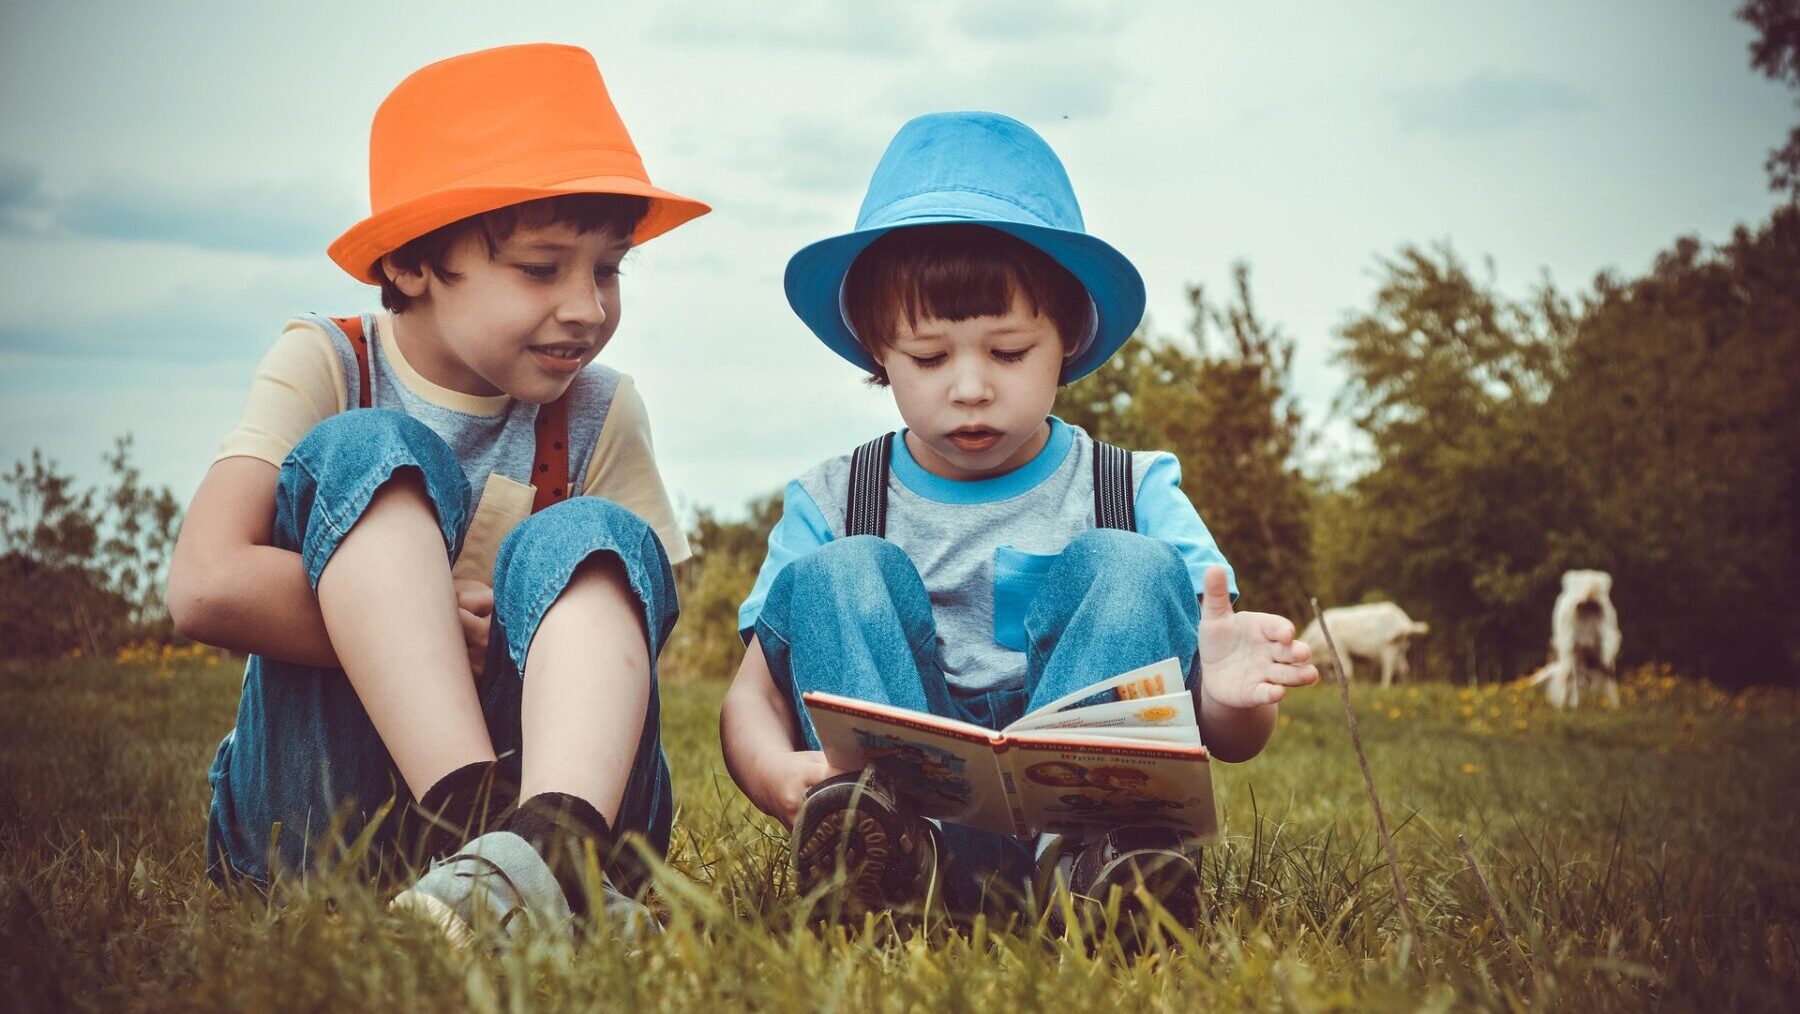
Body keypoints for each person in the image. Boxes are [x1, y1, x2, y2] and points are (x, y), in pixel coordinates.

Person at [718, 111, 1318, 923]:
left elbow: (1227, 734)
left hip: (1088, 826)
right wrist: (771, 773)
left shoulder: (1132, 489)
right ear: (876, 349)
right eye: (929, 358)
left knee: (1133, 564)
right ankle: (884, 867)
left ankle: (1097, 876)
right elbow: (750, 695)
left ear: (1067, 336)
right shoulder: (832, 499)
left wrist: (1235, 704)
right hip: (904, 824)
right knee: (840, 572)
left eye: (1007, 353)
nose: (969, 387)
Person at [166, 43, 708, 941]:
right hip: (322, 820)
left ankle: (553, 846)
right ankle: (492, 843)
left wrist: (538, 626)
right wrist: (417, 627)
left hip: (560, 784)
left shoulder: (603, 408)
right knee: (370, 449)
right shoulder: (329, 362)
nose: (587, 306)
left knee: (595, 536)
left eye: (609, 269)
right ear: (414, 263)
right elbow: (206, 584)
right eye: (543, 269)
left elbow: (641, 612)